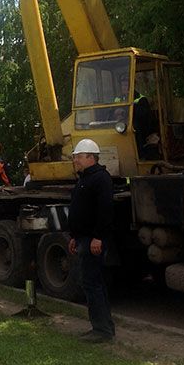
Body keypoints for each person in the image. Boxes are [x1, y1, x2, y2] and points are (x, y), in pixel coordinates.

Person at [68, 138, 115, 343]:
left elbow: (105, 211)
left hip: (93, 240)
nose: (75, 160)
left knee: (91, 283)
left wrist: (98, 237)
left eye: (78, 156)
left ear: (90, 157)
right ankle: (103, 327)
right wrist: (74, 237)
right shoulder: (85, 178)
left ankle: (102, 330)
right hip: (84, 238)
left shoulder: (100, 179)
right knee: (93, 282)